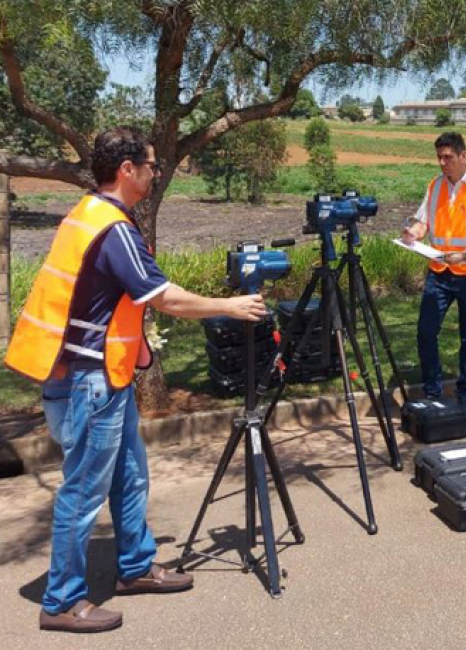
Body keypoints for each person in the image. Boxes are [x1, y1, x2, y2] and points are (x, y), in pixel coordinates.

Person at [4, 127, 268, 634]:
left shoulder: (86, 214)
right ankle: (60, 602)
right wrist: (230, 306)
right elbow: (162, 296)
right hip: (90, 383)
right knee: (82, 491)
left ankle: (135, 567)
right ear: (126, 170)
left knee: (130, 476)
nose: (155, 173)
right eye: (150, 165)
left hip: (103, 378)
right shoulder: (113, 229)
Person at [401, 132, 466, 405]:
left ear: (463, 156)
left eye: (448, 157)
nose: (443, 163)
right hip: (440, 272)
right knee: (425, 331)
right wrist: (414, 233)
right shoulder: (435, 186)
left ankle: (464, 392)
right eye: (439, 158)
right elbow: (424, 222)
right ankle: (432, 391)